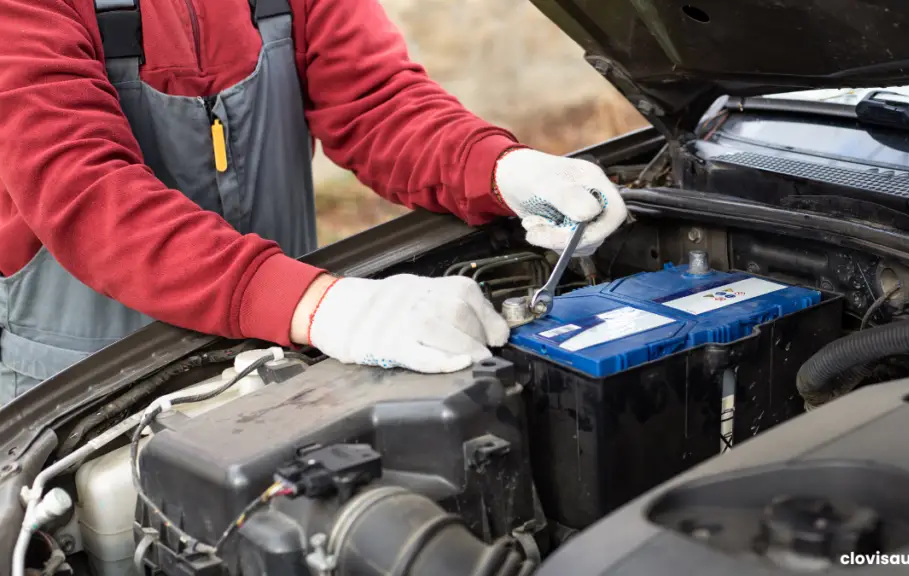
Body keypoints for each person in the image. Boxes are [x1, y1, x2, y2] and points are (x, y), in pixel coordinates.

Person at [0, 0, 627, 405]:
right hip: (85, 392)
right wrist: (323, 306)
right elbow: (84, 189)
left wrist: (499, 168)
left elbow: (376, 101)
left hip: (281, 351)